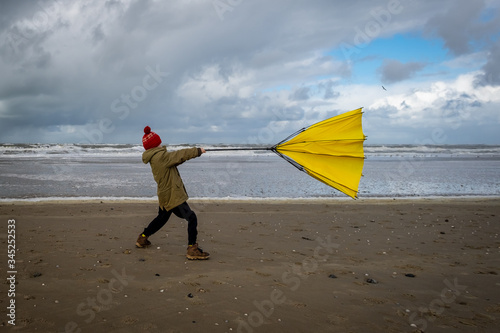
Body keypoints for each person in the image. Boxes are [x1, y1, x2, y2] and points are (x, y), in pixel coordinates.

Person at [136, 126, 209, 260]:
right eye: (159, 142)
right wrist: (198, 151)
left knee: (161, 218)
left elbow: (175, 160)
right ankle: (192, 248)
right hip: (173, 196)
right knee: (192, 217)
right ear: (156, 144)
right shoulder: (161, 156)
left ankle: (143, 238)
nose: (161, 143)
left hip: (165, 195)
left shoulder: (156, 158)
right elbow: (180, 155)